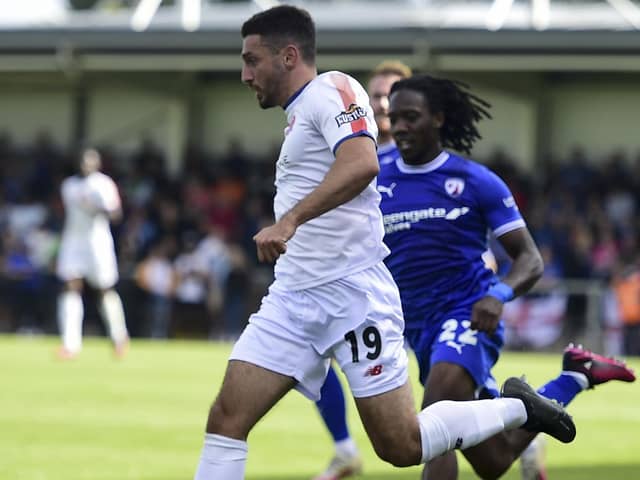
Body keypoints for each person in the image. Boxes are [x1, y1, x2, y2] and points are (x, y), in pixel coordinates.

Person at [193, 7, 577, 480]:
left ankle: (517, 410)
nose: (244, 73)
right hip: (294, 296)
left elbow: (362, 164)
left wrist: (289, 220)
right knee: (227, 419)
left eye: (252, 60)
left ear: (289, 55)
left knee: (401, 445)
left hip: (351, 296)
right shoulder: (298, 114)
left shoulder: (332, 90)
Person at [380, 73, 636, 480]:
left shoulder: (475, 181)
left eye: (412, 116)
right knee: (494, 461)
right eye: (394, 117)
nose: (400, 127)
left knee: (434, 420)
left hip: (468, 312)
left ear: (440, 118)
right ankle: (574, 377)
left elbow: (530, 259)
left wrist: (497, 294)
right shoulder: (373, 175)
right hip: (415, 325)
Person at [313, 59, 412, 480]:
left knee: (452, 379)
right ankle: (345, 449)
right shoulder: (351, 153)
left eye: (393, 95)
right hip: (366, 289)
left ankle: (517, 422)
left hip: (417, 291)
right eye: (375, 95)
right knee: (313, 358)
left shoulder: (419, 161)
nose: (383, 103)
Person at [56, 148, 130, 359]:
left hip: (97, 242)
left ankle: (119, 336)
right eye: (82, 161)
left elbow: (116, 214)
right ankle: (70, 344)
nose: (85, 165)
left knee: (104, 289)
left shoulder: (104, 184)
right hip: (73, 240)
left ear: (97, 164)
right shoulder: (68, 185)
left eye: (89, 161)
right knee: (71, 286)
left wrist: (97, 206)